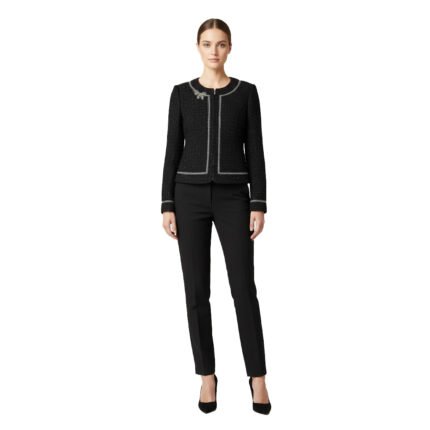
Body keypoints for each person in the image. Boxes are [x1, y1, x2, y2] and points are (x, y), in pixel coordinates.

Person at [160, 18, 271, 415]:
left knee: (243, 289)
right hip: (187, 196)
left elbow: (255, 150)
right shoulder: (181, 94)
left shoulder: (246, 93)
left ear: (230, 48)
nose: (214, 51)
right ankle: (207, 376)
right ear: (198, 47)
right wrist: (167, 204)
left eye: (220, 44)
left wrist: (258, 202)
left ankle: (258, 377)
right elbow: (172, 150)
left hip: (233, 198)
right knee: (196, 291)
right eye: (207, 43)